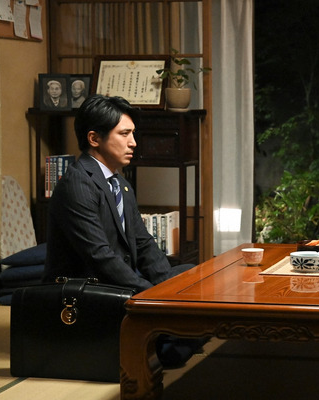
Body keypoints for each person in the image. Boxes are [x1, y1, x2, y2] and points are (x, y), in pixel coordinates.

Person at [43, 94, 202, 366]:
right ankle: (167, 343)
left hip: (118, 283)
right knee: (186, 330)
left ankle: (171, 338)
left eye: (133, 134)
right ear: (94, 139)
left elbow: (143, 243)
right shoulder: (77, 184)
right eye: (124, 134)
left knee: (191, 277)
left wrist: (167, 287)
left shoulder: (120, 184)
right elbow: (100, 256)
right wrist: (150, 295)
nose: (133, 142)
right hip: (89, 291)